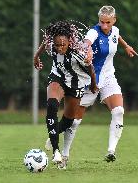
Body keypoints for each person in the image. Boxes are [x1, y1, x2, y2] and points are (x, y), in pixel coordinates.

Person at [57, 5, 138, 168]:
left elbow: (117, 36)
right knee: (73, 122)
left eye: (108, 22)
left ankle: (111, 151)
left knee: (119, 111)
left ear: (114, 20)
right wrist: (86, 50)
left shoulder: (115, 30)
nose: (105, 26)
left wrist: (126, 46)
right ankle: (64, 156)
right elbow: (87, 42)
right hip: (89, 80)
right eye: (102, 22)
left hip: (108, 78)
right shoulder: (93, 32)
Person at [33, 20, 97, 168]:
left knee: (69, 121)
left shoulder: (79, 52)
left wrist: (93, 85)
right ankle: (56, 151)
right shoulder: (51, 45)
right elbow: (45, 44)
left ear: (69, 41)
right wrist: (36, 56)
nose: (60, 47)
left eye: (63, 44)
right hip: (58, 77)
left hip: (77, 83)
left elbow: (91, 70)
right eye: (57, 45)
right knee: (51, 106)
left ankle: (53, 134)